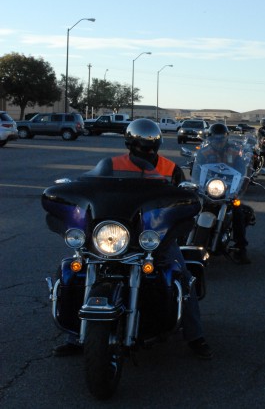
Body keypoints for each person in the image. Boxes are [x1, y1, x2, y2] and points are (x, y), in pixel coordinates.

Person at [52, 119, 213, 360]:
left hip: (154, 235)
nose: (146, 151)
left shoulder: (170, 169)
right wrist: (72, 187)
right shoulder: (109, 164)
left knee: (183, 277)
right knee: (79, 271)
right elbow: (88, 185)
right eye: (141, 147)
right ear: (130, 143)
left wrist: (189, 199)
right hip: (115, 232)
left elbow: (183, 196)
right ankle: (75, 336)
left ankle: (195, 336)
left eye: (149, 147)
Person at [197, 123, 254, 264]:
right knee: (192, 208)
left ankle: (241, 248)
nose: (218, 141)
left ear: (226, 138)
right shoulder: (204, 152)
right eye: (215, 138)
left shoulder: (234, 151)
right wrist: (195, 183)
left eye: (221, 138)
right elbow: (196, 169)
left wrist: (244, 179)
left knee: (238, 212)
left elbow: (242, 168)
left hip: (229, 189)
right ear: (210, 138)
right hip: (208, 188)